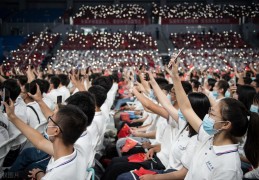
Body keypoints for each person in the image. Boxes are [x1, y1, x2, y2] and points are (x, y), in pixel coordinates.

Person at [159, 55, 259, 180]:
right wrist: (174, 77)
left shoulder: (229, 167)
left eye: (212, 114)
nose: (207, 116)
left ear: (225, 124)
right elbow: (186, 108)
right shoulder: (208, 136)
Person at [3, 100, 89, 180]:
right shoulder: (79, 150)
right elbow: (40, 142)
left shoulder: (54, 176)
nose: (48, 121)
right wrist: (12, 117)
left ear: (56, 131)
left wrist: (40, 176)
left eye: (51, 118)